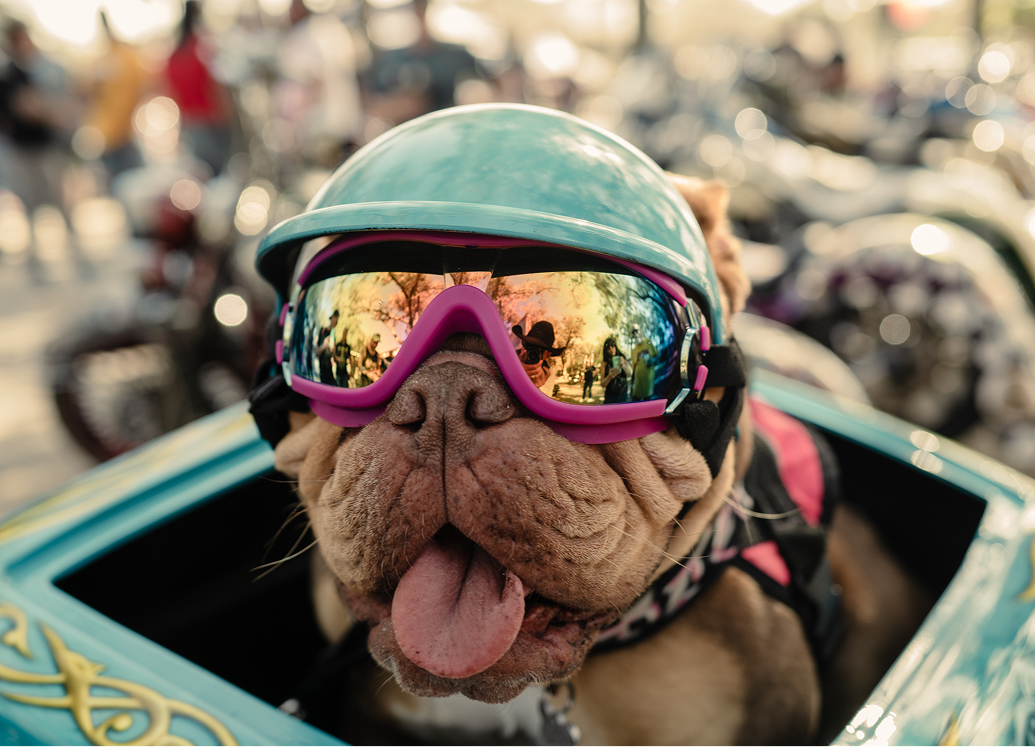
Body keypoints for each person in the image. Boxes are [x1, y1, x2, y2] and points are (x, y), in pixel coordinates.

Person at [164, 1, 231, 175]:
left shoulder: (174, 56)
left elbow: (171, 93)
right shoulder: (202, 49)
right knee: (219, 175)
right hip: (209, 122)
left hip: (190, 124)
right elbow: (215, 87)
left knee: (202, 178)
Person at [83, 13, 145, 179]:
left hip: (121, 134)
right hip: (110, 136)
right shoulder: (106, 60)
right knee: (126, 180)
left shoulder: (124, 58)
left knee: (129, 180)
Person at [512, 321, 565, 390]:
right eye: (527, 345)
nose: (532, 353)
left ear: (547, 355)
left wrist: (535, 388)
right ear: (522, 346)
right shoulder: (508, 359)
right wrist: (513, 372)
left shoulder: (547, 373)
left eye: (540, 350)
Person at [630, 325, 658, 402]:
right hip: (638, 387)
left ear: (640, 331)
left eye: (636, 330)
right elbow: (633, 369)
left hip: (648, 386)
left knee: (648, 408)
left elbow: (657, 356)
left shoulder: (648, 342)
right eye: (633, 332)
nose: (635, 333)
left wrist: (652, 360)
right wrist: (631, 386)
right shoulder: (634, 350)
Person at [600, 336, 631, 404]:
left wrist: (624, 367)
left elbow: (630, 374)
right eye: (608, 347)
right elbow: (602, 384)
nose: (611, 348)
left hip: (622, 394)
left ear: (615, 346)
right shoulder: (604, 364)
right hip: (610, 396)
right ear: (606, 350)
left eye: (612, 345)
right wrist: (609, 377)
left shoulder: (622, 358)